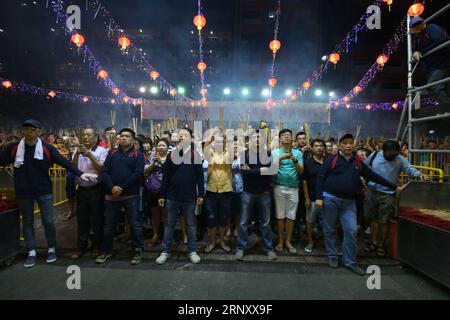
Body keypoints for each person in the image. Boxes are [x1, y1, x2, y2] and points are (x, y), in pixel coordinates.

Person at [0, 119, 96, 268]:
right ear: (22, 131)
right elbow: (2, 160)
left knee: (49, 221)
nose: (28, 132)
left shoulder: (47, 148)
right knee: (27, 222)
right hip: (23, 192)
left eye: (32, 129)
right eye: (25, 129)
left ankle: (51, 248)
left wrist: (80, 173)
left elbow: (64, 163)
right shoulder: (14, 148)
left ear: (39, 131)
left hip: (43, 191)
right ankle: (31, 251)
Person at [316, 134, 402, 275]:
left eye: (350, 143)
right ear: (340, 145)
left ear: (353, 145)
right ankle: (332, 256)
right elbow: (321, 178)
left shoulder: (357, 162)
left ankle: (350, 261)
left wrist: (393, 186)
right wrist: (319, 197)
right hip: (330, 199)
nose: (348, 145)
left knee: (351, 231)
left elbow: (373, 176)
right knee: (330, 229)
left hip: (349, 202)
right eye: (345, 143)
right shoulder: (331, 160)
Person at [364, 140, 427, 256]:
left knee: (384, 220)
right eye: (390, 154)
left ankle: (381, 245)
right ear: (384, 151)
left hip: (388, 194)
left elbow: (410, 168)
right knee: (372, 219)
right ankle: (374, 242)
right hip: (372, 192)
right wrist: (361, 179)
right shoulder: (374, 155)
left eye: (395, 153)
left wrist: (419, 174)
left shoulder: (400, 159)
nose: (393, 156)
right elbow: (363, 166)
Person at [95, 128, 145, 266]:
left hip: (131, 195)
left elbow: (138, 173)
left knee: (135, 224)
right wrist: (112, 187)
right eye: (122, 136)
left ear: (133, 140)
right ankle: (106, 251)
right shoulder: (112, 153)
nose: (124, 138)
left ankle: (138, 251)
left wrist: (121, 187)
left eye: (127, 136)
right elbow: (105, 171)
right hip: (112, 195)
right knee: (109, 225)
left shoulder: (137, 154)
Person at [156, 128, 204, 265]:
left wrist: (201, 193)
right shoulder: (172, 155)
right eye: (180, 135)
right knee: (169, 225)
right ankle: (165, 251)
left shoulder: (196, 155)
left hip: (190, 197)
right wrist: (162, 195)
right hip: (172, 196)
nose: (182, 137)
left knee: (191, 225)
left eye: (185, 135)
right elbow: (166, 177)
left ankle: (192, 250)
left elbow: (200, 177)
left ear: (190, 139)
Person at [235, 130, 278, 261]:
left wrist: (253, 170)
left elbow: (271, 171)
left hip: (264, 192)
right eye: (255, 137)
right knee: (243, 222)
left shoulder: (268, 154)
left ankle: (268, 248)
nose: (257, 139)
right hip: (248, 192)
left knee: (265, 223)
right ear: (250, 140)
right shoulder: (244, 154)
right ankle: (241, 248)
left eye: (260, 137)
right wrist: (260, 170)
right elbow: (244, 173)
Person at [71, 128, 108, 260]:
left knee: (97, 219)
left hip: (96, 189)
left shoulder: (102, 151)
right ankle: (81, 246)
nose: (85, 137)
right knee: (82, 219)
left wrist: (89, 154)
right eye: (84, 135)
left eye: (88, 135)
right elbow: (73, 167)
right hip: (81, 189)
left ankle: (96, 246)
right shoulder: (77, 150)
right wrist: (77, 153)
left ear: (95, 137)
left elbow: (102, 169)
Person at [271, 129, 304, 254]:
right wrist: (280, 158)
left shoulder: (298, 153)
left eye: (289, 136)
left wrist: (294, 159)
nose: (286, 137)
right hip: (279, 186)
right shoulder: (274, 153)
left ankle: (288, 241)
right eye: (284, 136)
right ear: (279, 139)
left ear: (292, 139)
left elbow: (301, 172)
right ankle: (280, 240)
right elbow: (271, 170)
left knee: (291, 216)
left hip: (294, 187)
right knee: (280, 216)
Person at [203, 131, 233, 253]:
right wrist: (211, 139)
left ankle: (221, 241)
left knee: (223, 217)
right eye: (217, 142)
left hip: (226, 189)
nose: (219, 144)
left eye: (221, 142)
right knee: (211, 217)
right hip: (211, 189)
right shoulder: (209, 153)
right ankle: (212, 242)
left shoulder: (229, 153)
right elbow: (205, 148)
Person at [410, 16, 450, 105]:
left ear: (424, 23)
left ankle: (447, 109)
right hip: (433, 67)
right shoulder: (417, 39)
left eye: (419, 24)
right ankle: (446, 114)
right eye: (415, 26)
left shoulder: (431, 28)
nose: (418, 27)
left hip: (444, 62)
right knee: (435, 88)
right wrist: (416, 52)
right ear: (412, 29)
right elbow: (415, 49)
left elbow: (441, 40)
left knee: (433, 86)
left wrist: (422, 52)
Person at [144, 138, 170, 246]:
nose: (161, 147)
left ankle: (167, 237)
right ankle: (155, 235)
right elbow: (145, 170)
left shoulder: (171, 157)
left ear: (167, 147)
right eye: (159, 145)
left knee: (165, 215)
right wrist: (154, 162)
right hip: (153, 189)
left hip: (165, 190)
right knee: (155, 214)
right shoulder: (151, 156)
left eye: (163, 145)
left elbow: (172, 172)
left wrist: (161, 162)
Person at [302, 139, 326, 253]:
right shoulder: (308, 162)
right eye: (316, 146)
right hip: (312, 197)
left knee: (330, 222)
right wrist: (306, 197)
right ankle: (310, 241)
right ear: (312, 148)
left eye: (321, 146)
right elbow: (304, 181)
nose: (319, 148)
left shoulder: (329, 161)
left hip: (327, 197)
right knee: (310, 221)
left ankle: (329, 243)